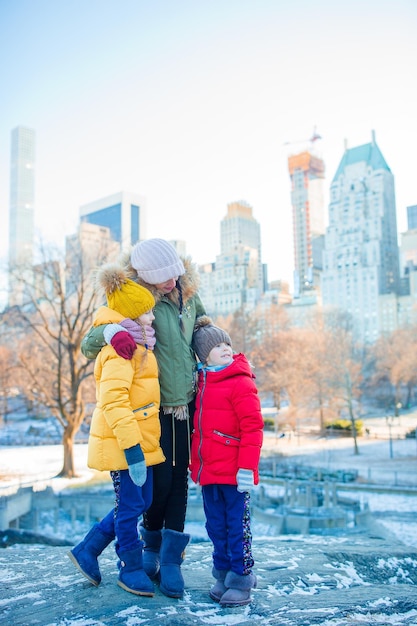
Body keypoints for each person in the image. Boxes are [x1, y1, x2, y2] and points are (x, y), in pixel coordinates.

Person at [81, 238, 206, 598]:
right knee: (155, 487)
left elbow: (202, 331)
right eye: (164, 279)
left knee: (179, 485)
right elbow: (90, 343)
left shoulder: (188, 293)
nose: (172, 283)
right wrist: (112, 331)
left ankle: (171, 561)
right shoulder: (131, 300)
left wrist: (220, 356)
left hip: (184, 404)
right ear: (147, 277)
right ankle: (148, 551)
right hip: (150, 409)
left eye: (175, 276)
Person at [68, 264, 165, 597]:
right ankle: (130, 566)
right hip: (126, 444)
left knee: (142, 500)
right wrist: (132, 449)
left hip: (142, 440)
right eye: (146, 314)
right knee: (130, 506)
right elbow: (113, 402)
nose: (152, 319)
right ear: (131, 317)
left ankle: (88, 549)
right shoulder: (121, 351)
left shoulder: (140, 348)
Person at [189, 316, 264, 607]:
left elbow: (252, 426)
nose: (225, 349)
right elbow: (199, 430)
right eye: (217, 345)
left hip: (234, 472)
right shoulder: (201, 382)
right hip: (209, 473)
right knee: (215, 527)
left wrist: (247, 467)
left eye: (227, 344)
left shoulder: (239, 382)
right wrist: (194, 465)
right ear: (203, 354)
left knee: (237, 526)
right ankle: (222, 574)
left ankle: (242, 578)